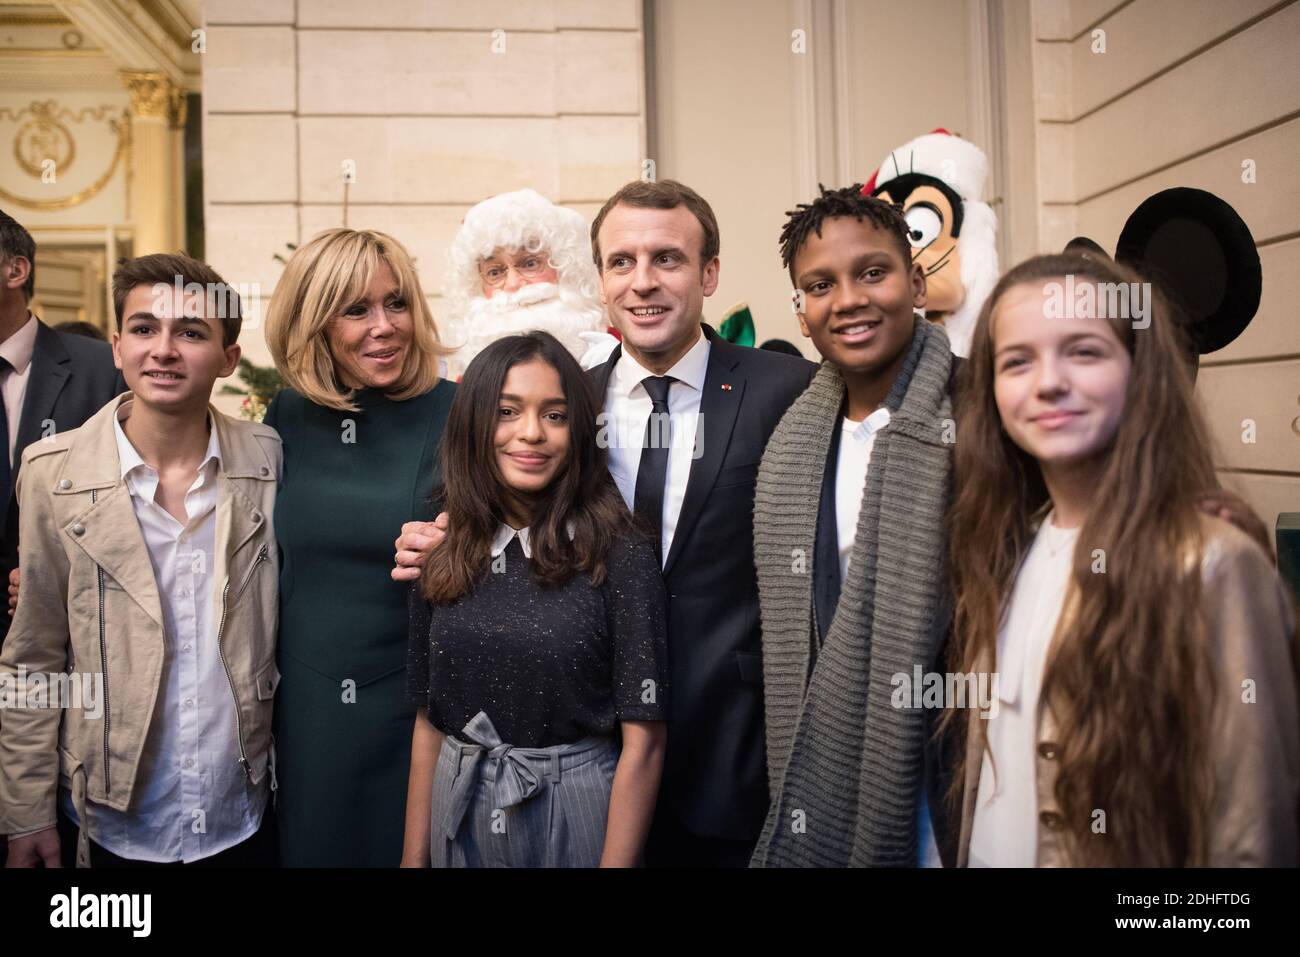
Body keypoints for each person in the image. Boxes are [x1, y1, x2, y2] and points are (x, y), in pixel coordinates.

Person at [395, 179, 816, 866]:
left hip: (723, 756)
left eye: (668, 259)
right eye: (622, 261)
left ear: (709, 272)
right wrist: (432, 536)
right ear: (600, 277)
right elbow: (480, 510)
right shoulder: (558, 397)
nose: (643, 282)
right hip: (576, 754)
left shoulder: (784, 390)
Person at [946, 252, 1298, 866]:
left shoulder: (1212, 565)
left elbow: (1251, 834)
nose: (1048, 381)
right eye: (1017, 361)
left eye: (1083, 351)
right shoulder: (1005, 552)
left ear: (1141, 370)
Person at [0, 252, 280, 867]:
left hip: (239, 810)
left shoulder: (267, 461)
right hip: (110, 818)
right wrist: (24, 816)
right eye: (145, 328)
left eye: (192, 332)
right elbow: (34, 656)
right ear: (118, 348)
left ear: (229, 360)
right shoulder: (54, 475)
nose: (164, 350)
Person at [402, 332, 667, 867]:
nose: (531, 434)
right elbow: (429, 719)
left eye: (555, 415)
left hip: (576, 805)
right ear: (475, 423)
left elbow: (646, 740)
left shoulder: (623, 552)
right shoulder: (439, 547)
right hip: (460, 798)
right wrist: (413, 860)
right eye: (506, 411)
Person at [750, 185, 952, 868]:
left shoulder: (977, 416)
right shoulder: (793, 440)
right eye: (820, 284)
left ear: (916, 281)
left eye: (872, 272)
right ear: (801, 314)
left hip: (950, 763)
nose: (849, 299)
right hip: (831, 754)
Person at [263, 227, 455, 867]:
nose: (385, 326)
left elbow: (521, 542)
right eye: (357, 310)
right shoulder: (287, 416)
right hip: (308, 715)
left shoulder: (459, 412)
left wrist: (463, 547)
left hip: (417, 712)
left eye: (396, 303)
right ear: (313, 322)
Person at [0, 209, 123, 646]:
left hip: (66, 640)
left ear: (15, 270)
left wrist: (56, 578)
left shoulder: (100, 368)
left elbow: (129, 499)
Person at [442, 188, 612, 378]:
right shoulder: (466, 383)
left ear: (563, 267)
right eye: (495, 272)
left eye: (530, 263)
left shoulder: (618, 356)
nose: (514, 284)